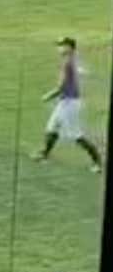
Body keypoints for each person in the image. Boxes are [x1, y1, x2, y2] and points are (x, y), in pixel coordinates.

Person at [37, 37, 103, 172]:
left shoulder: (67, 63)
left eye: (62, 45)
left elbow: (61, 86)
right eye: (59, 45)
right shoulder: (71, 60)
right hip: (66, 102)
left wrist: (48, 96)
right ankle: (44, 154)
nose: (59, 48)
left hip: (69, 103)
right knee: (52, 127)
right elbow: (80, 71)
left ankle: (97, 161)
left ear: (70, 48)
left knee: (76, 135)